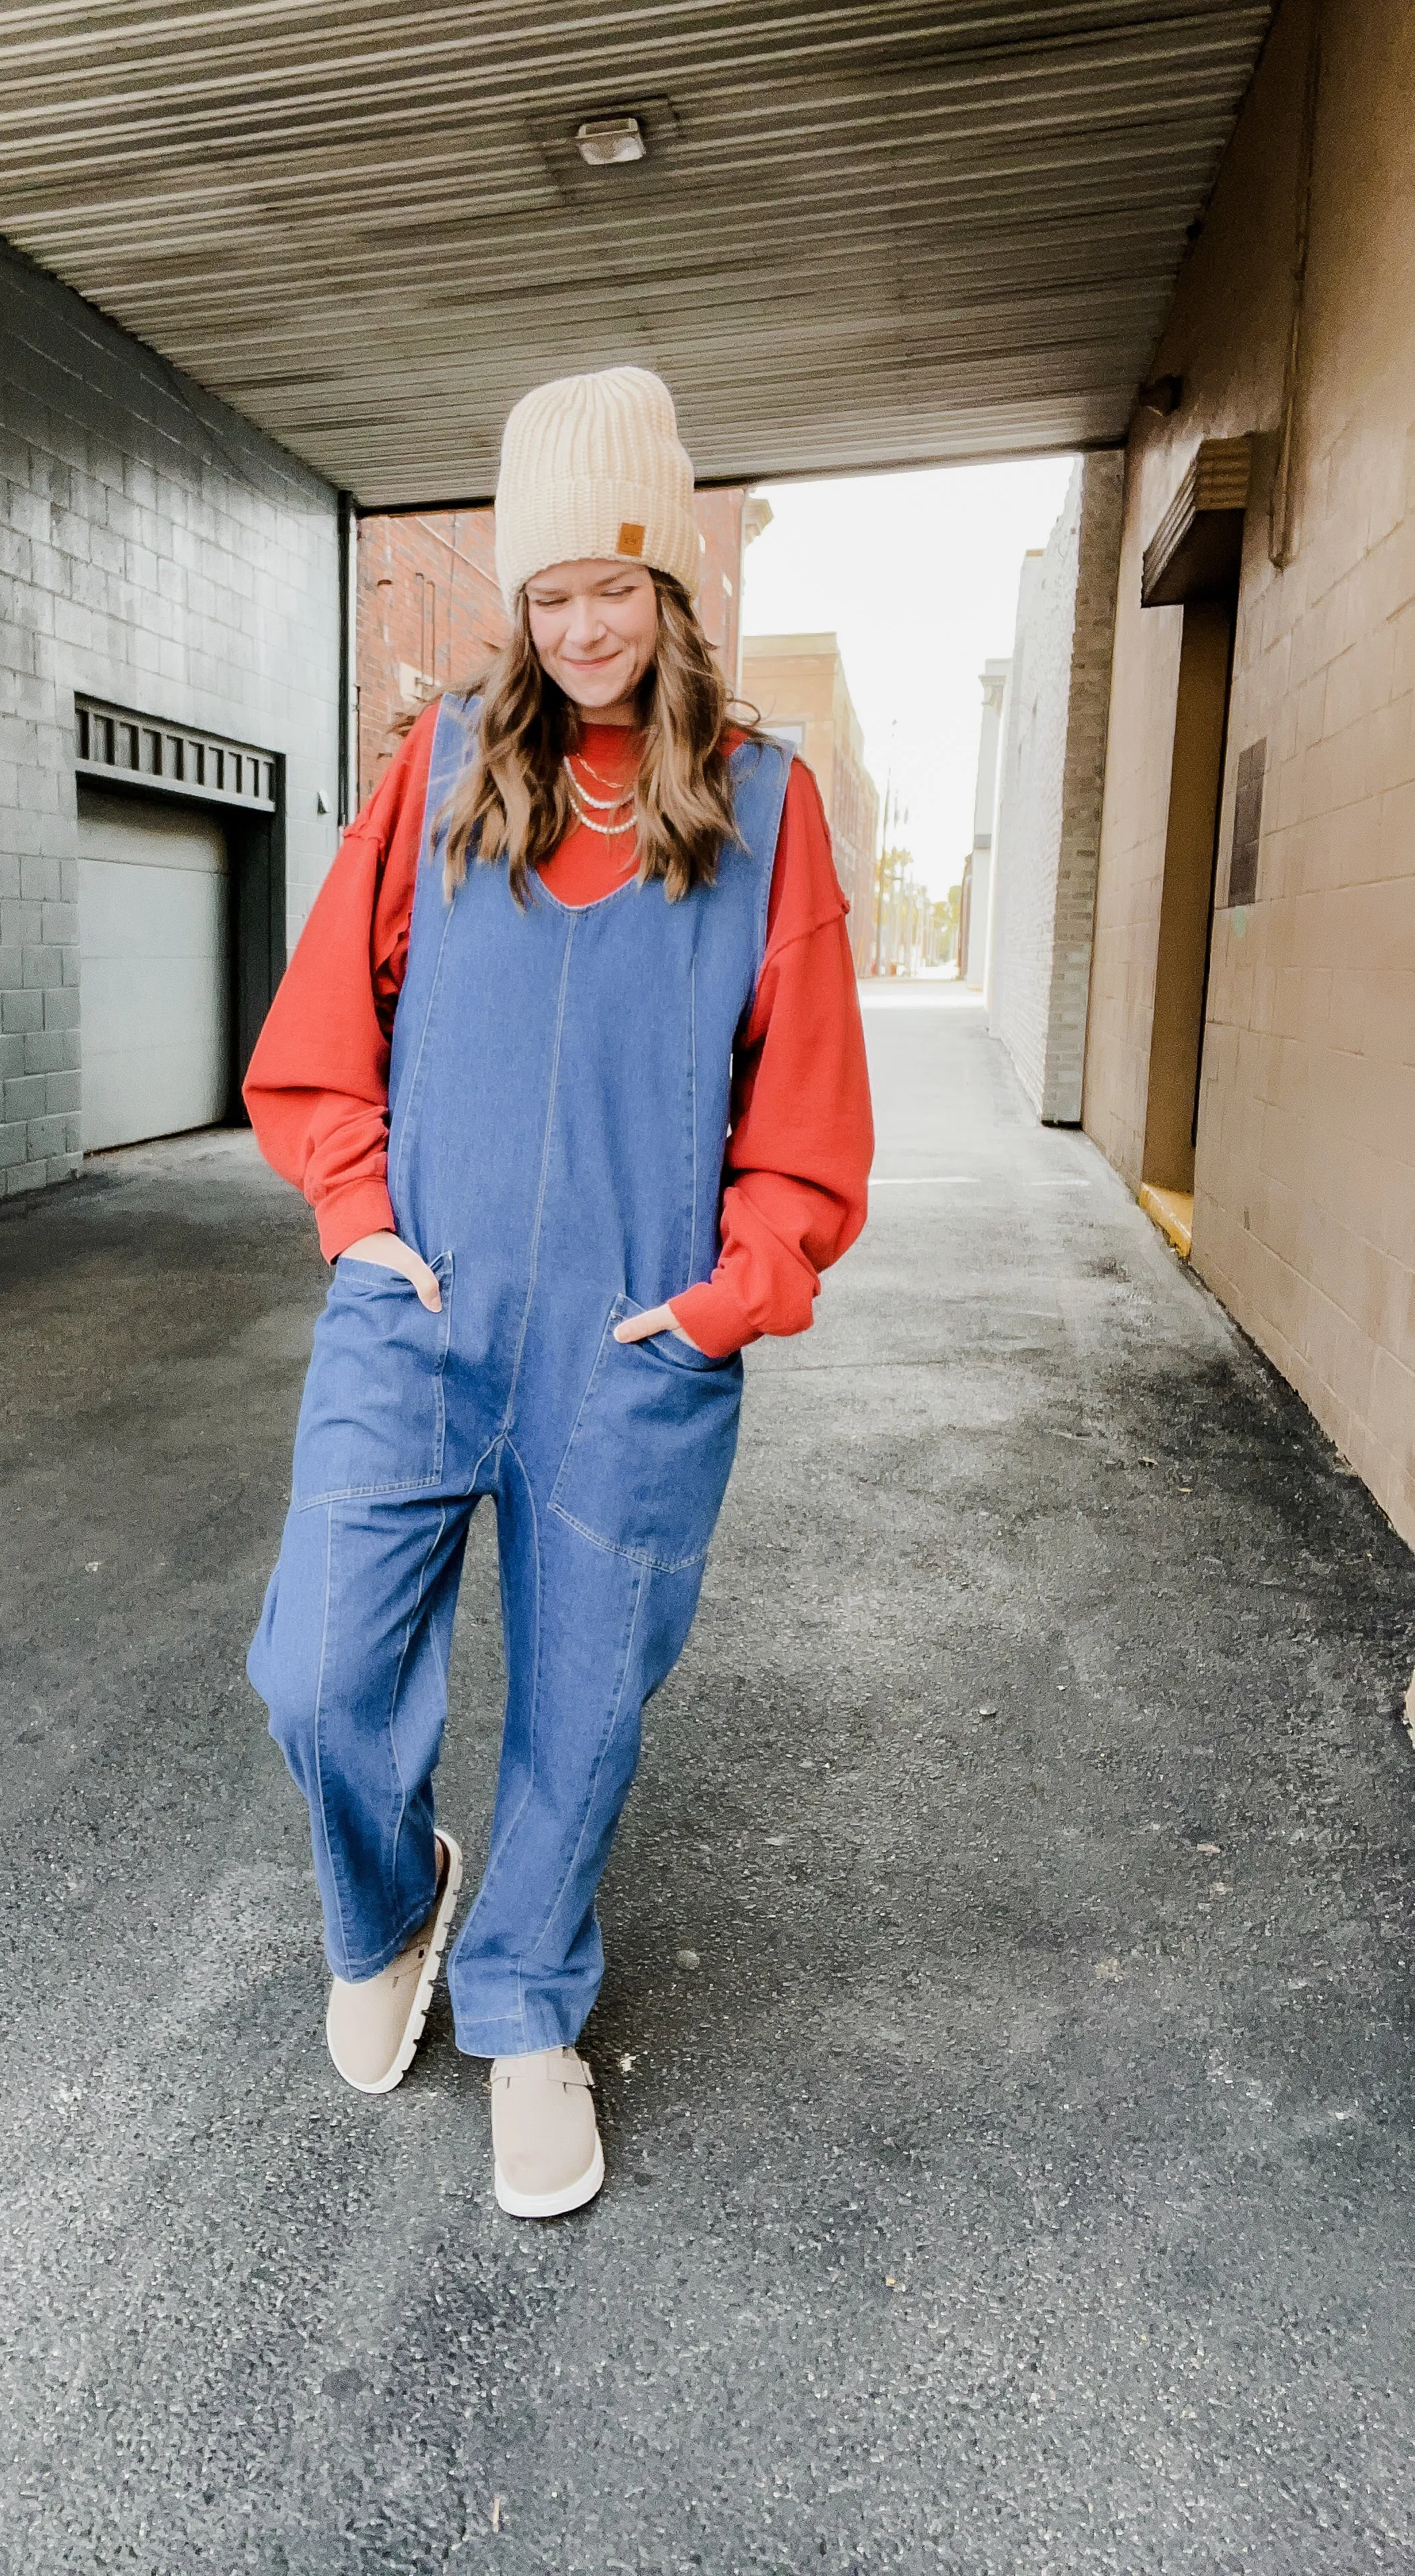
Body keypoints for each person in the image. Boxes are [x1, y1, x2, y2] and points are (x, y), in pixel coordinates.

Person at [243, 367, 873, 2217]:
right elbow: (316, 1042)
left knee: (586, 1708)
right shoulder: (439, 777)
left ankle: (528, 2009)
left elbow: (809, 1107)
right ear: (517, 606)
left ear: (672, 586)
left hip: (631, 1345)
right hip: (415, 1315)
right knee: (317, 1669)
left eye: (616, 584)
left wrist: (726, 1297)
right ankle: (397, 1901)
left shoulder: (767, 805)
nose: (585, 625)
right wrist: (357, 1220)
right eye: (551, 593)